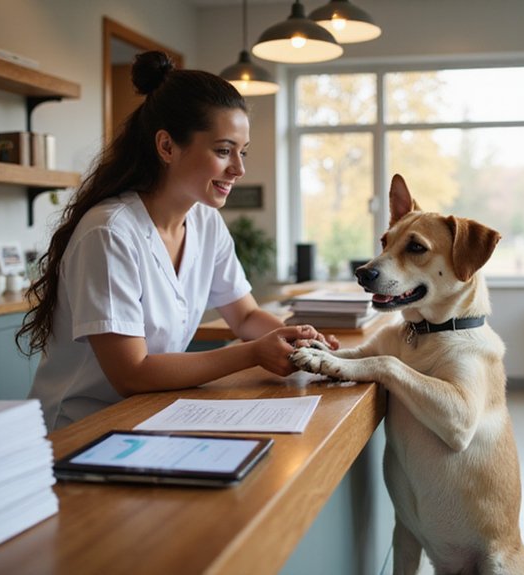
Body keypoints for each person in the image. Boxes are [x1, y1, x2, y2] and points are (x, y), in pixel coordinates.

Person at [19, 51, 338, 431]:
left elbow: (247, 316)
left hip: (148, 418)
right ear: (167, 147)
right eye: (223, 151)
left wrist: (299, 342)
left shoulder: (206, 223)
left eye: (242, 152)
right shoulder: (109, 233)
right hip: (80, 430)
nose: (239, 168)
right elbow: (131, 374)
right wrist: (253, 354)